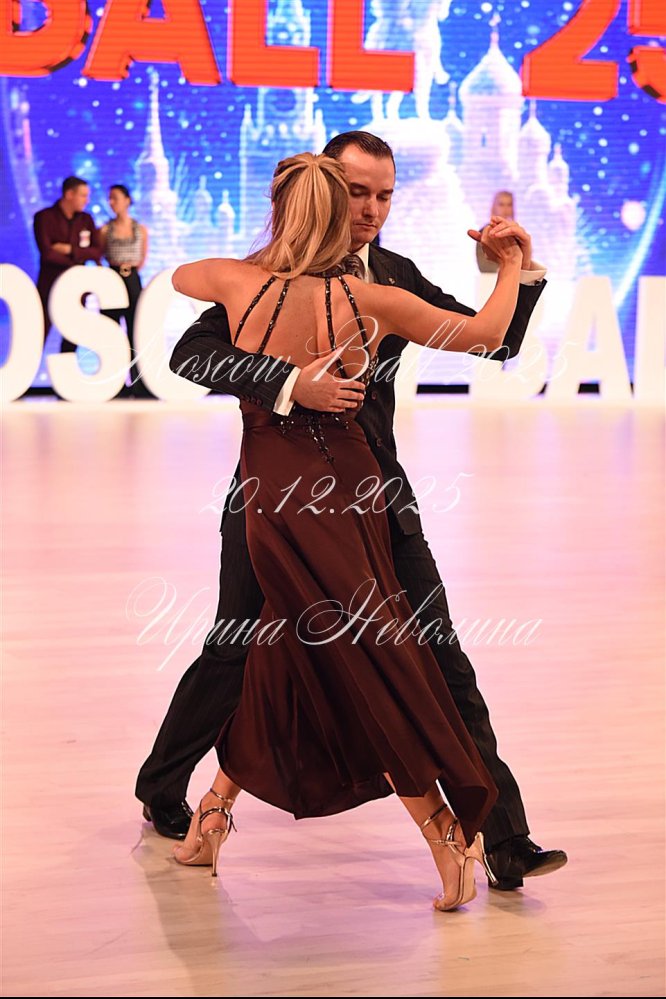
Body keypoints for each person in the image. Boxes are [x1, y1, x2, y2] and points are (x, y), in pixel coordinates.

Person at [136, 132, 567, 893]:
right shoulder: (261, 275)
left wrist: (519, 272)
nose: (371, 209)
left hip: (376, 498)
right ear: (331, 192)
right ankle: (167, 788)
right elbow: (191, 356)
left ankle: (503, 839)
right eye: (357, 193)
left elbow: (492, 344)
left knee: (434, 655)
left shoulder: (389, 278)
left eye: (385, 195)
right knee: (243, 650)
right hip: (270, 500)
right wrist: (287, 382)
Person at [33, 176, 103, 352]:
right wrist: (77, 261)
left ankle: (67, 367)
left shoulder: (86, 219)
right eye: (83, 195)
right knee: (38, 334)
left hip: (77, 287)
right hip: (50, 285)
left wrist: (70, 250)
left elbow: (96, 251)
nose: (87, 200)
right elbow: (47, 253)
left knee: (74, 336)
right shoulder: (44, 217)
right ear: (69, 194)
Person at [99, 184, 152, 398]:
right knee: (112, 331)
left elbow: (143, 257)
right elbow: (100, 254)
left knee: (135, 331)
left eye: (115, 198)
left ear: (127, 200)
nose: (111, 202)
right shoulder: (104, 229)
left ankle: (139, 383)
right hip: (111, 279)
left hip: (132, 279)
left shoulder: (141, 229)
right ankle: (115, 384)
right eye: (110, 198)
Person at [476, 191, 515, 273]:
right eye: (501, 204)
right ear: (494, 207)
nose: (505, 209)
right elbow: (484, 266)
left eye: (509, 205)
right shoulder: (485, 233)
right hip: (492, 278)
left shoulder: (517, 233)